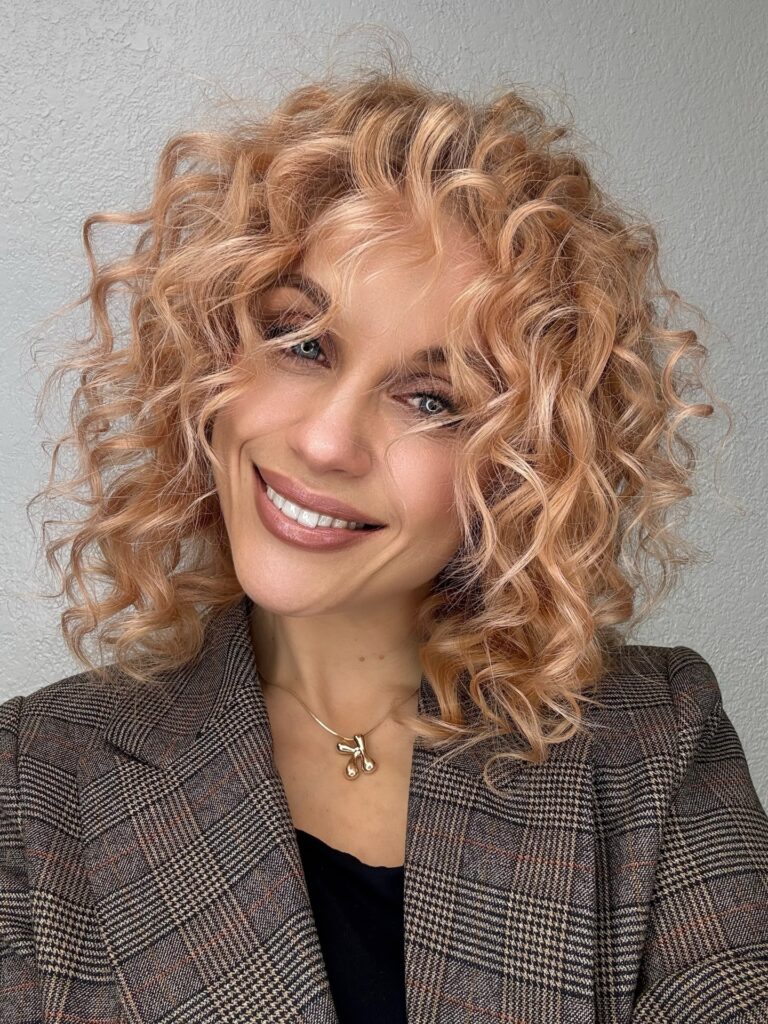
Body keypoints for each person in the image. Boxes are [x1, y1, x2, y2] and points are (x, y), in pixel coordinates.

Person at [3, 60, 767, 1024]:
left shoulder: (656, 740)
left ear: (523, 463)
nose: (326, 441)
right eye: (302, 343)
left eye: (432, 401)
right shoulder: (33, 782)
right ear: (212, 360)